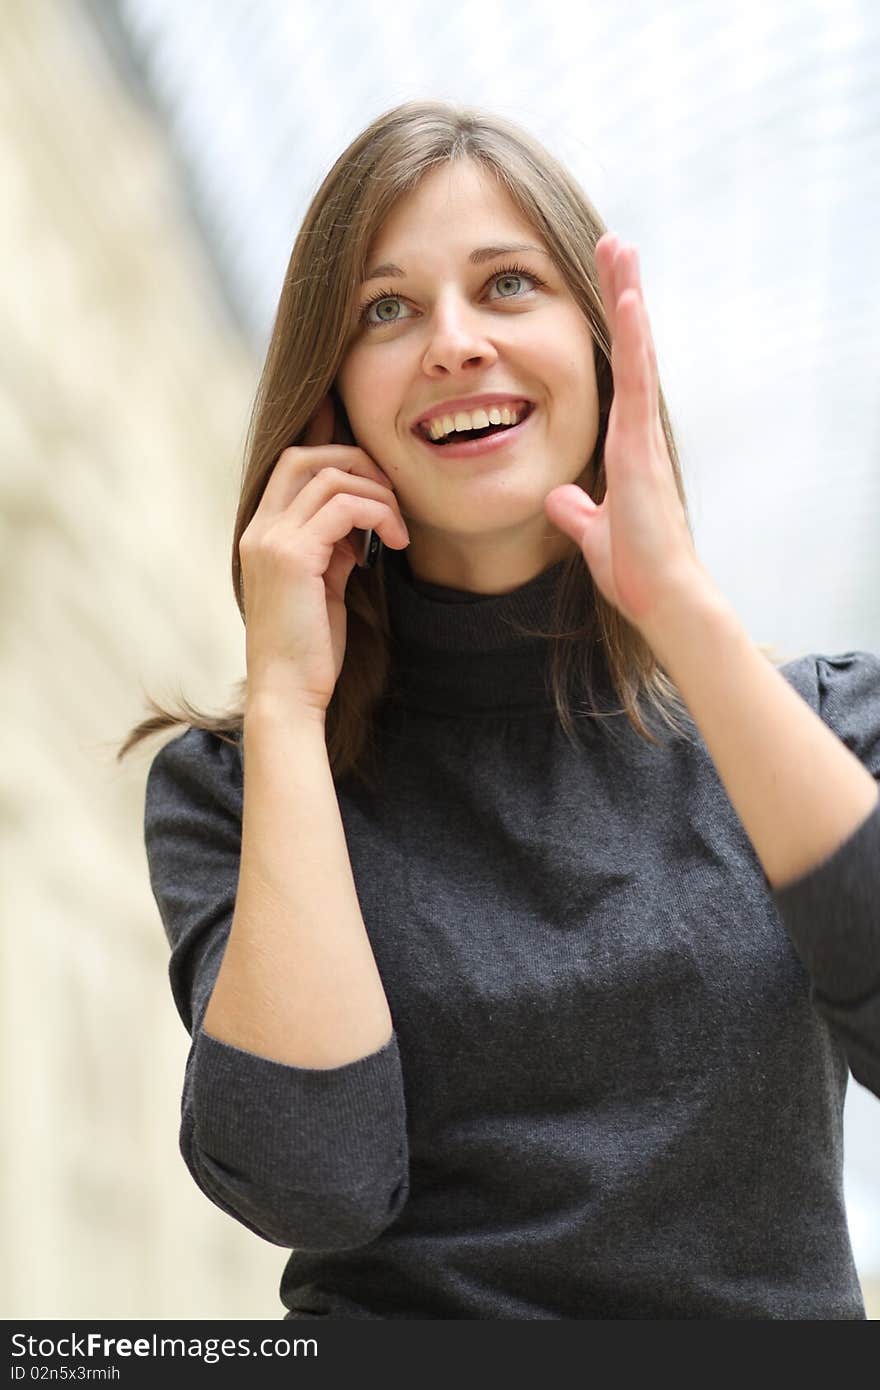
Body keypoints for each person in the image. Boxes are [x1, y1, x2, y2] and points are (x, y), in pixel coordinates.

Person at [129, 100, 880, 1319]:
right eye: (387, 309)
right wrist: (281, 700)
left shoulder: (822, 723)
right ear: (331, 402)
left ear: (597, 348)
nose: (453, 342)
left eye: (508, 284)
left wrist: (680, 608)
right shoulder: (242, 786)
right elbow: (316, 1184)